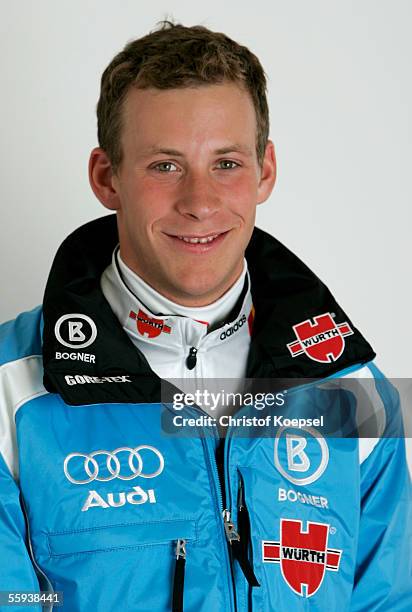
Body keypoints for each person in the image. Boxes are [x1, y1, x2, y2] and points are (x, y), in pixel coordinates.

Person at [0, 20, 410, 612]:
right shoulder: (12, 397)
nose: (199, 202)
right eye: (165, 166)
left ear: (265, 171)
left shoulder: (354, 391)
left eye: (226, 164)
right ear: (106, 177)